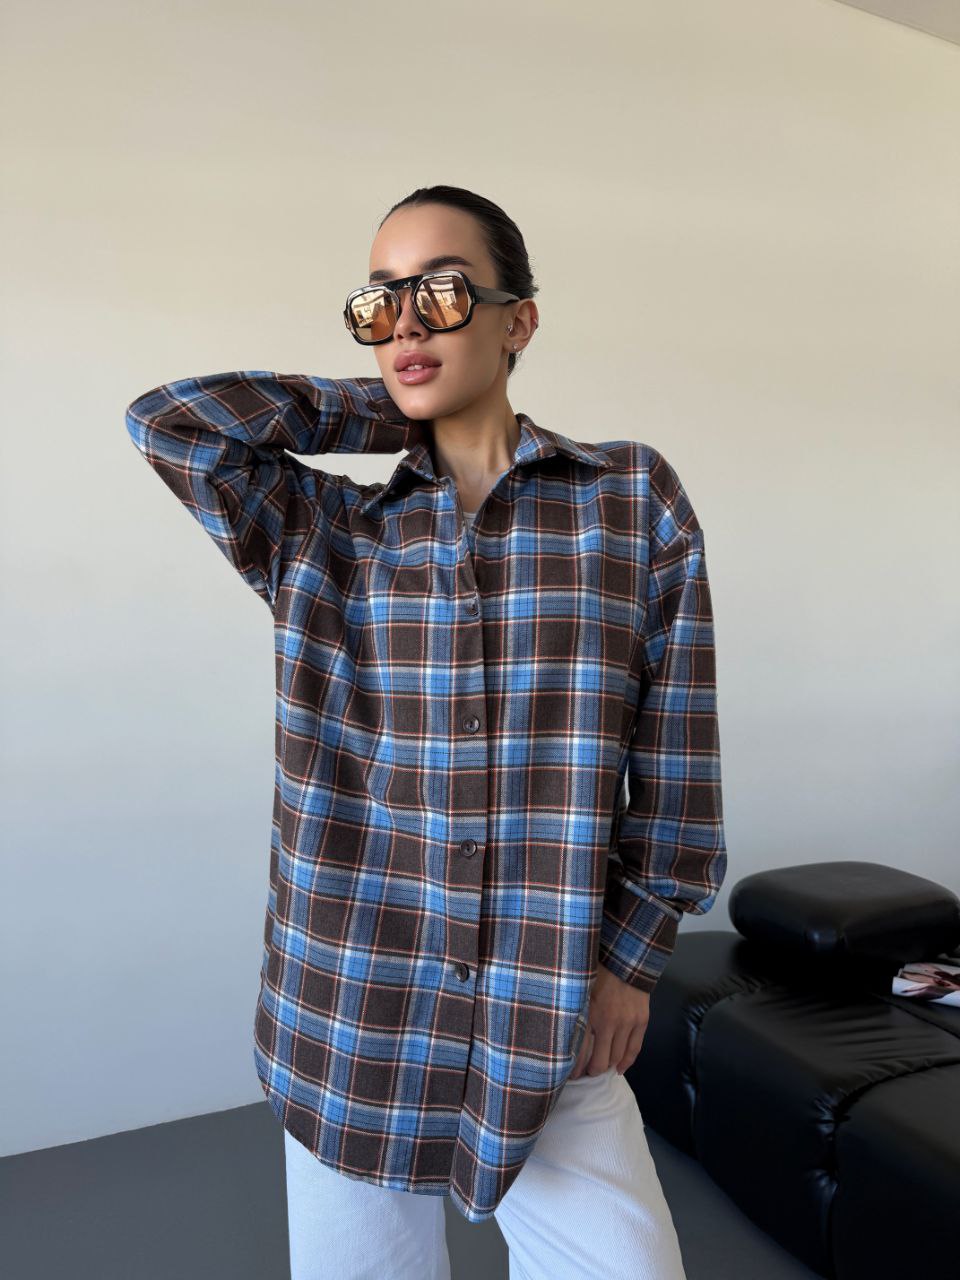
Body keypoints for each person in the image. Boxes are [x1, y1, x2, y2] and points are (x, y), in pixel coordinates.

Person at [125, 184, 727, 1279]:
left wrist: (633, 962)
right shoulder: (324, 527)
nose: (404, 322)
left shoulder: (629, 497)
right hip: (354, 1011)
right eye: (381, 302)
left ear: (519, 318)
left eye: (442, 292)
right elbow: (169, 421)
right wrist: (402, 404)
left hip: (547, 1006)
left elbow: (678, 759)